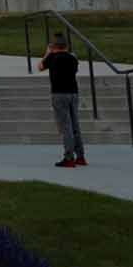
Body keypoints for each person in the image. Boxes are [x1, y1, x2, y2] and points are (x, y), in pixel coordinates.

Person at [40, 31, 84, 166]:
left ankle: (69, 158)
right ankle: (80, 156)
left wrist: (47, 52)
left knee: (66, 127)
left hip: (59, 94)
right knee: (75, 125)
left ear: (53, 46)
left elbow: (40, 67)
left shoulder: (52, 57)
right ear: (66, 45)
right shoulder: (73, 57)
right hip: (73, 93)